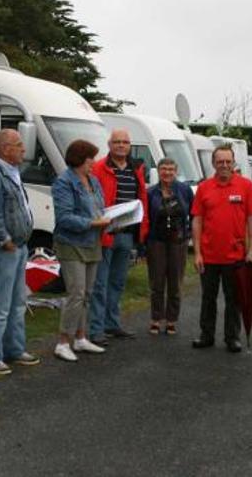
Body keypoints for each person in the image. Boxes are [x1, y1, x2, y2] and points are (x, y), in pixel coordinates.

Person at [0, 129, 41, 375]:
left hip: (19, 247)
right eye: (19, 145)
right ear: (4, 149)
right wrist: (4, 241)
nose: (24, 149)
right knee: (0, 305)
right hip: (5, 250)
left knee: (17, 303)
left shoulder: (13, 173)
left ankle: (14, 349)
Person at [191, 145, 252, 353]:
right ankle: (206, 335)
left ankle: (232, 337)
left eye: (228, 161)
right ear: (213, 164)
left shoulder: (246, 186)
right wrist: (197, 253)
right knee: (208, 298)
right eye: (220, 162)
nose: (224, 165)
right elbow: (197, 221)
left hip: (236, 255)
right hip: (209, 256)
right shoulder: (204, 187)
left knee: (234, 300)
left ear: (233, 163)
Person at [51, 139, 111, 362]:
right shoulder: (63, 182)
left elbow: (99, 207)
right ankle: (62, 342)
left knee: (87, 293)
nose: (93, 163)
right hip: (71, 243)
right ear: (79, 159)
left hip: (92, 242)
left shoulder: (92, 180)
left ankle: (81, 337)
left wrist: (108, 220)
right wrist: (93, 223)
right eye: (90, 159)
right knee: (76, 293)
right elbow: (64, 218)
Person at [88, 129, 149, 345]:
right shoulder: (98, 168)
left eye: (125, 142)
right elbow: (91, 200)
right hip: (105, 234)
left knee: (117, 283)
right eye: (117, 142)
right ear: (109, 144)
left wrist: (142, 234)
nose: (121, 146)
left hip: (127, 235)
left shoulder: (136, 170)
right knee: (100, 284)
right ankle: (95, 330)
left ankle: (111, 324)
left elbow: (142, 200)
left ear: (130, 145)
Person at [145, 158, 194, 336]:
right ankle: (156, 319)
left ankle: (172, 320)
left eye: (171, 169)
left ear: (176, 171)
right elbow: (146, 219)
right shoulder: (150, 193)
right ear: (158, 171)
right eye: (164, 169)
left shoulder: (184, 190)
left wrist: (188, 234)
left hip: (178, 242)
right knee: (157, 283)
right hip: (156, 242)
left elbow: (193, 214)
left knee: (175, 283)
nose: (167, 172)